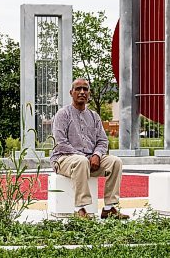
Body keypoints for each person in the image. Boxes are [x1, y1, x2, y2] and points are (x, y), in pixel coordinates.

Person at [50, 78, 129, 219]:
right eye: (78, 89)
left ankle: (109, 208)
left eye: (85, 89)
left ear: (89, 93)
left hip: (90, 160)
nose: (82, 92)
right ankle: (80, 208)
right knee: (81, 161)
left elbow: (103, 140)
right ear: (71, 92)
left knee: (115, 162)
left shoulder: (94, 116)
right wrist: (87, 158)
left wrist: (97, 155)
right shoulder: (63, 114)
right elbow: (61, 143)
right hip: (64, 159)